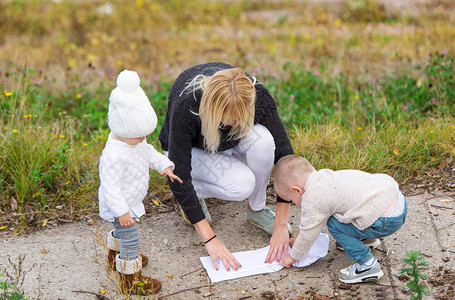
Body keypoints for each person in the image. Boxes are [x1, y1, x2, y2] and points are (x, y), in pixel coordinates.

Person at [159, 62, 294, 271]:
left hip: (225, 143)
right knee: (241, 185)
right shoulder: (189, 105)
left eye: (241, 116)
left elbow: (285, 156)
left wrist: (281, 225)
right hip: (189, 152)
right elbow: (178, 173)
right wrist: (211, 239)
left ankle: (256, 209)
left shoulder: (257, 95)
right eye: (231, 117)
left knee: (265, 142)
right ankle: (195, 198)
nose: (235, 122)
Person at [98, 70, 182, 295]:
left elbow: (149, 152)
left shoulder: (135, 142)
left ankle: (115, 256)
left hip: (129, 200)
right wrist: (122, 212)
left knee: (122, 234)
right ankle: (129, 280)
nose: (144, 139)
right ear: (121, 129)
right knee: (131, 238)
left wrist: (164, 165)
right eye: (139, 135)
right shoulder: (114, 155)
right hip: (120, 205)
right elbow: (110, 187)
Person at [273, 155, 407, 284]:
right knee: (344, 212)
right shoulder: (325, 176)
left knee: (334, 224)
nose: (294, 203)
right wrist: (296, 240)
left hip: (386, 220)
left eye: (291, 200)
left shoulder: (313, 198)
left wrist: (293, 256)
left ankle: (366, 264)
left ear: (296, 190)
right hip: (396, 199)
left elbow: (309, 232)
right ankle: (364, 238)